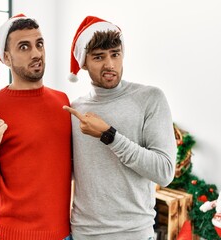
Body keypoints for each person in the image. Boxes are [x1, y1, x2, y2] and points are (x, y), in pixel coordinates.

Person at [63, 16, 177, 240]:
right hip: (83, 234)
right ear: (84, 62)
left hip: (134, 234)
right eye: (98, 57)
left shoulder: (150, 99)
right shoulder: (76, 110)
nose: (110, 65)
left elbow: (164, 172)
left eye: (115, 54)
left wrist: (109, 136)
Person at [0, 14, 73, 240]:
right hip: (10, 236)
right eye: (24, 47)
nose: (36, 53)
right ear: (6, 58)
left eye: (39, 44)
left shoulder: (63, 102)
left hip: (62, 234)